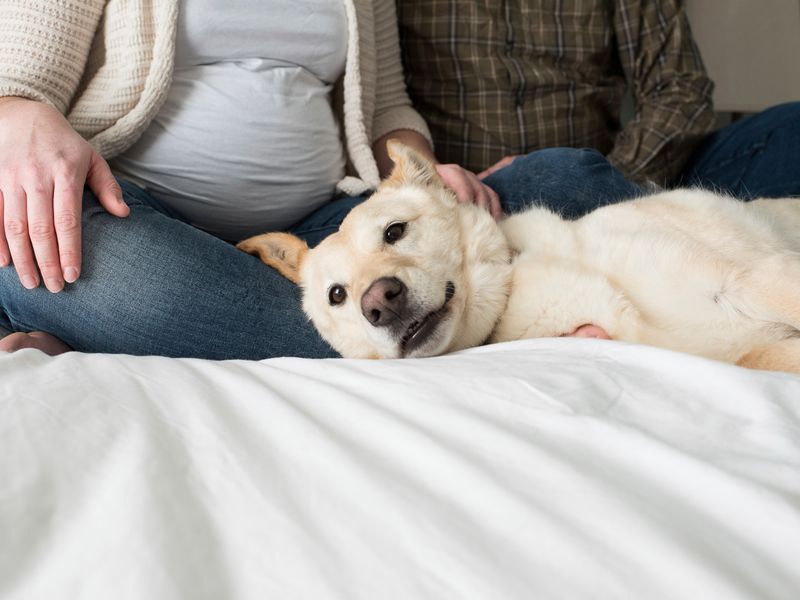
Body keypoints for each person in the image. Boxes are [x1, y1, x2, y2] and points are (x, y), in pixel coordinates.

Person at [0, 0, 644, 359]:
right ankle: (457, 314)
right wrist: (20, 112)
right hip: (131, 214)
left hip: (326, 250)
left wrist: (423, 177)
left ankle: (142, 329)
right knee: (112, 272)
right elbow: (13, 92)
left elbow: (387, 107)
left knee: (568, 178)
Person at [397, 0, 800, 199]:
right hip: (468, 200)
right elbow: (376, 104)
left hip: (615, 179)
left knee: (791, 131)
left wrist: (598, 182)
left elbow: (680, 91)